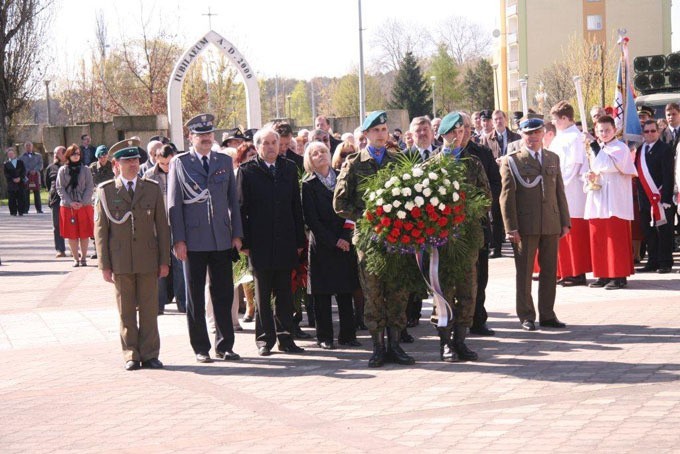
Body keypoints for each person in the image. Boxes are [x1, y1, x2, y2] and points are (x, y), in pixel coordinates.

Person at [334, 110, 415, 368]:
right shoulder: (354, 163)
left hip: (396, 238)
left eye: (384, 130)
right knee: (373, 293)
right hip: (369, 239)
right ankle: (378, 346)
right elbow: (339, 203)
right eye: (376, 131)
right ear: (366, 134)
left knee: (398, 292)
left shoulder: (398, 160)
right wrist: (366, 216)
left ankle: (395, 344)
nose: (382, 134)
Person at [167, 113, 244, 363]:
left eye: (209, 134)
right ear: (191, 137)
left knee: (223, 293)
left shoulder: (223, 160)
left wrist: (237, 234)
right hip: (193, 240)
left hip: (221, 238)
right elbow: (174, 205)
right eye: (201, 135)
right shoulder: (180, 163)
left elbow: (233, 200)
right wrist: (178, 240)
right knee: (195, 296)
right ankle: (201, 347)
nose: (206, 139)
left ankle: (225, 345)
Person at [94, 139, 170, 371]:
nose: (133, 165)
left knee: (149, 309)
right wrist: (104, 265)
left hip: (147, 258)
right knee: (126, 310)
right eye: (128, 161)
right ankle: (131, 354)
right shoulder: (106, 191)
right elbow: (100, 231)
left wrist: (164, 260)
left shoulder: (151, 188)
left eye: (136, 160)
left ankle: (149, 354)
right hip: (120, 260)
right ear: (117, 164)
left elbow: (163, 227)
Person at [237, 127, 306, 356]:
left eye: (273, 143)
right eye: (264, 143)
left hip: (285, 240)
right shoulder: (248, 171)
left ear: (280, 145)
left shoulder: (288, 168)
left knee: (285, 294)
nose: (270, 147)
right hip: (260, 243)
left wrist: (298, 240)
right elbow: (241, 208)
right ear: (257, 147)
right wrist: (244, 242)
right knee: (263, 295)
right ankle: (265, 340)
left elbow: (296, 206)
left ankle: (286, 339)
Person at [428, 112, 491, 361]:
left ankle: (461, 340)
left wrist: (466, 211)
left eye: (462, 132)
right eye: (453, 132)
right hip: (441, 242)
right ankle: (445, 343)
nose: (459, 136)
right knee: (443, 292)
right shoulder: (430, 166)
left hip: (467, 239)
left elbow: (486, 198)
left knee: (468, 291)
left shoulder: (473, 163)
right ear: (443, 135)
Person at [499, 118, 571, 331]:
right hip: (525, 225)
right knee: (525, 273)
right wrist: (511, 227)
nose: (533, 137)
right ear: (522, 135)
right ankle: (527, 315)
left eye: (536, 132)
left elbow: (560, 191)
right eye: (528, 133)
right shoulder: (512, 161)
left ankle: (547, 314)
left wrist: (565, 221)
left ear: (543, 133)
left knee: (550, 272)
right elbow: (506, 197)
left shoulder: (552, 158)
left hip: (550, 221)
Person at [302, 141, 361, 349]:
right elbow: (312, 220)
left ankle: (348, 334)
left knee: (345, 292)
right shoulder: (308, 185)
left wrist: (345, 236)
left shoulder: (342, 177)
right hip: (323, 246)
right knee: (322, 295)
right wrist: (333, 240)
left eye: (324, 151)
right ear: (309, 159)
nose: (320, 155)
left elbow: (352, 207)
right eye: (315, 153)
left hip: (345, 242)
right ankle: (325, 337)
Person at [583, 115, 638, 290]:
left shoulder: (620, 148)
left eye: (607, 130)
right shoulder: (596, 148)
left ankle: (618, 275)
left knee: (615, 238)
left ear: (614, 130)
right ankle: (603, 273)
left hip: (615, 198)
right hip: (598, 196)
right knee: (599, 236)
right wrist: (589, 175)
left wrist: (593, 145)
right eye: (600, 131)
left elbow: (608, 165)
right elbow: (595, 167)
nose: (604, 133)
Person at [460, 113, 501, 336]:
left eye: (467, 127)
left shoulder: (482, 153)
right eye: (459, 128)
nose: (464, 131)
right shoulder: (442, 155)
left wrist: (480, 205)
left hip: (478, 223)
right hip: (451, 228)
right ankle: (456, 320)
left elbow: (496, 183)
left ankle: (478, 319)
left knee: (480, 274)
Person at [549, 101, 592, 286]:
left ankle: (577, 272)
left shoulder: (575, 137)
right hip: (558, 188)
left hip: (571, 190)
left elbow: (573, 165)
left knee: (573, 232)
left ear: (565, 118)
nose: (553, 122)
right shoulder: (561, 136)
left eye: (555, 119)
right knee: (561, 232)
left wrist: (560, 185)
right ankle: (564, 270)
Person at [145, 144, 186, 314]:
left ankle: (183, 303)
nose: (166, 167)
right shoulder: (149, 175)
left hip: (177, 225)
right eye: (162, 163)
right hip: (157, 226)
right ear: (155, 159)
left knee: (180, 264)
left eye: (169, 163)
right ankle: (158, 303)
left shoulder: (182, 172)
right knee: (158, 264)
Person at [635, 120, 675, 274]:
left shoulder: (665, 149)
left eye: (653, 131)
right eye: (647, 131)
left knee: (664, 231)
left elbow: (668, 175)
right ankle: (652, 261)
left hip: (660, 198)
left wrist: (665, 199)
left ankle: (665, 263)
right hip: (645, 199)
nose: (650, 134)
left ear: (658, 132)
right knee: (649, 232)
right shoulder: (640, 150)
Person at [56, 144, 95, 267]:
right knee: (71, 234)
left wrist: (82, 202)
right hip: (68, 207)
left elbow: (90, 187)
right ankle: (75, 258)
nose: (76, 156)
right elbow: (60, 188)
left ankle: (83, 257)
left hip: (84, 205)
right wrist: (70, 202)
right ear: (68, 155)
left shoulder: (86, 170)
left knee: (84, 233)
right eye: (73, 154)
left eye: (78, 154)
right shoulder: (62, 170)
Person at [44, 146, 67, 257]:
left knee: (73, 225)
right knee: (57, 225)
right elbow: (47, 184)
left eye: (58, 153)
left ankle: (75, 249)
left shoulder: (71, 166)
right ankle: (60, 250)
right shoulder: (50, 168)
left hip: (70, 199)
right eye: (54, 153)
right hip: (56, 200)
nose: (55, 155)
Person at [20, 142, 43, 214]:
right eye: (27, 146)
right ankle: (26, 209)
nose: (28, 147)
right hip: (26, 176)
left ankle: (39, 209)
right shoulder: (21, 157)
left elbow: (40, 164)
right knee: (26, 193)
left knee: (37, 193)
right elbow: (21, 166)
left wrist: (35, 170)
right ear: (25, 147)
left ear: (32, 147)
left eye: (29, 146)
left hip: (36, 176)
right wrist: (29, 171)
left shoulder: (38, 156)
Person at [3, 147, 26, 216]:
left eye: (12, 154)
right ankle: (13, 212)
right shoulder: (6, 164)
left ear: (14, 154)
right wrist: (12, 179)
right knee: (12, 198)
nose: (10, 155)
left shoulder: (20, 162)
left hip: (20, 182)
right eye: (9, 154)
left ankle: (21, 211)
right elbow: (6, 174)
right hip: (11, 183)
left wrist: (20, 178)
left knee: (20, 197)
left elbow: (24, 171)